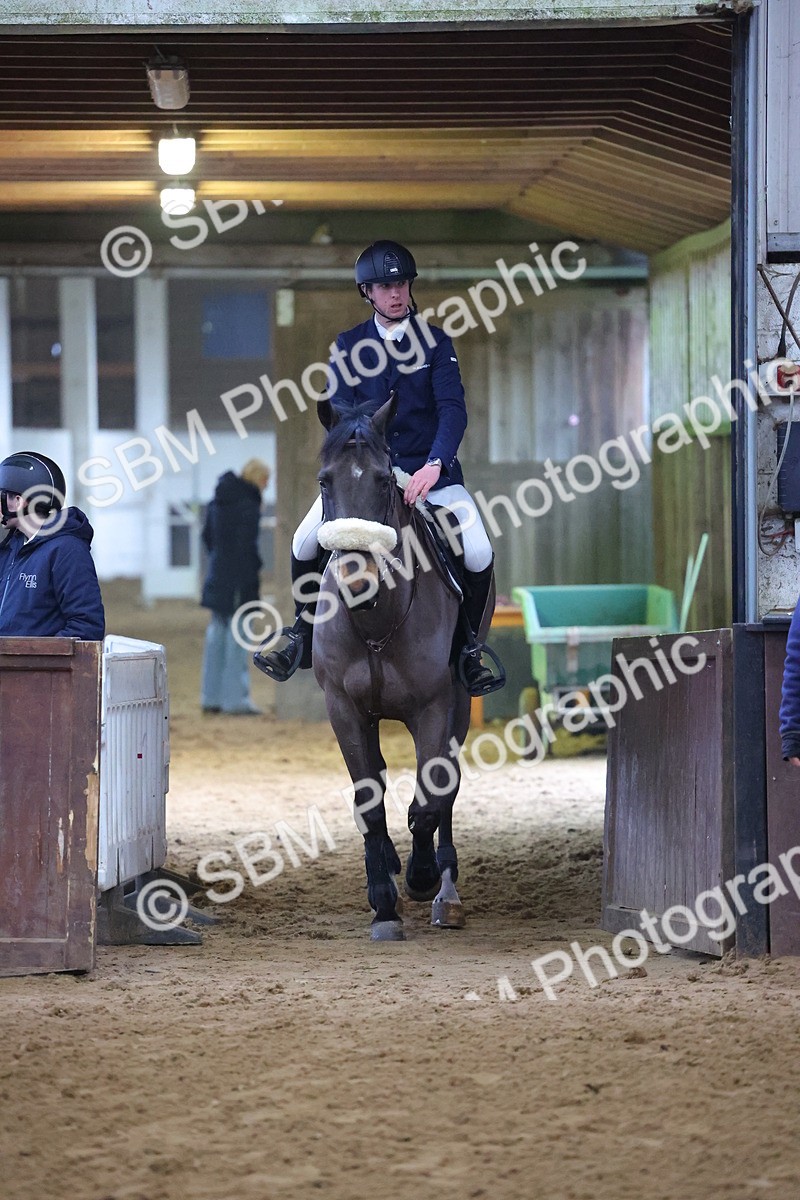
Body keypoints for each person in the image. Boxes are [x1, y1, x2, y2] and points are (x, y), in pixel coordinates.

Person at [256, 238, 503, 696]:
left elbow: (453, 410)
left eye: (402, 283)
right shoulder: (348, 346)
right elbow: (339, 413)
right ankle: (302, 635)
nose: (397, 293)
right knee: (303, 541)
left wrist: (434, 464)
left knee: (478, 549)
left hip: (429, 476)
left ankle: (469, 650)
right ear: (367, 292)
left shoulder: (435, 342)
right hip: (366, 478)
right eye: (385, 286)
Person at [0, 450, 105, 639]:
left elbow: (87, 626)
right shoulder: (10, 548)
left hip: (36, 668)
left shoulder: (67, 551)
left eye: (0, 496)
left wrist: (35, 660)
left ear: (17, 501)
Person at [200, 458, 270, 714]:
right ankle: (235, 701)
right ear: (259, 478)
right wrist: (252, 571)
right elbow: (246, 546)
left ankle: (211, 698)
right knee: (238, 639)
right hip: (240, 580)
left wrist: (220, 561)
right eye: (266, 480)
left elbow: (206, 537)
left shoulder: (217, 500)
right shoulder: (249, 504)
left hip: (218, 576)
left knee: (216, 636)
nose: (266, 486)